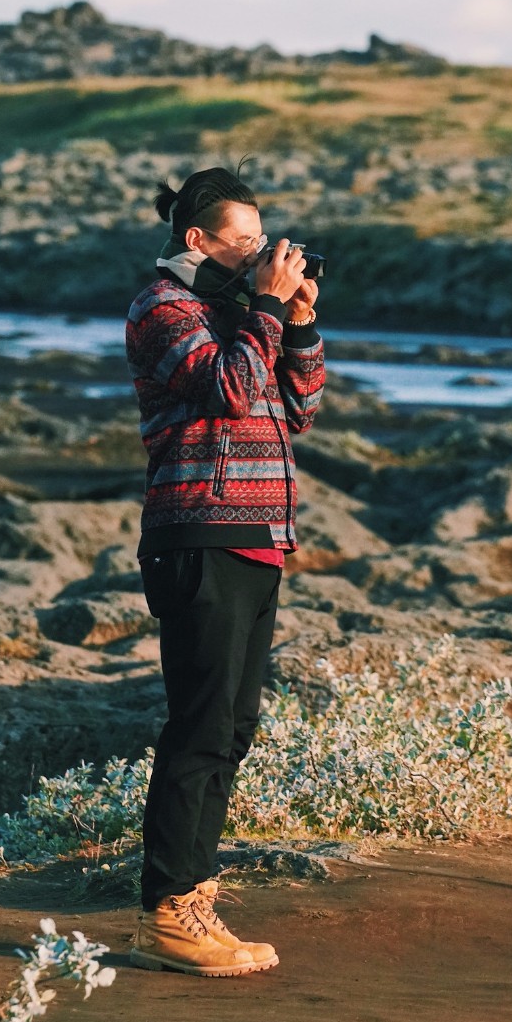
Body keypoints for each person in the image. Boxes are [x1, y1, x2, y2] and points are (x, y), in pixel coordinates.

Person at [119, 163, 324, 978]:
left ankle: (193, 899)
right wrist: (267, 309)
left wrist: (297, 321)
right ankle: (168, 911)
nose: (260, 255)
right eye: (245, 244)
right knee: (200, 726)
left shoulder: (238, 313)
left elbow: (297, 408)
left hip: (259, 534)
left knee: (232, 729)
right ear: (196, 240)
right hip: (199, 533)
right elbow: (231, 390)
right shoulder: (163, 308)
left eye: (262, 242)